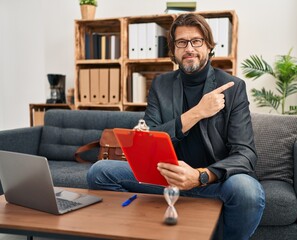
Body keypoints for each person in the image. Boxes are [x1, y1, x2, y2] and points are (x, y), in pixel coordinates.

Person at [87, 13, 265, 240]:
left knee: (247, 191)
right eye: (181, 42)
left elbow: (245, 154)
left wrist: (201, 176)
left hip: (212, 181)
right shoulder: (161, 85)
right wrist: (197, 113)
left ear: (209, 46)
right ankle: (143, 231)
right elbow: (150, 138)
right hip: (167, 177)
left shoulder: (232, 87)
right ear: (173, 50)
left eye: (196, 41)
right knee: (99, 172)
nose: (189, 48)